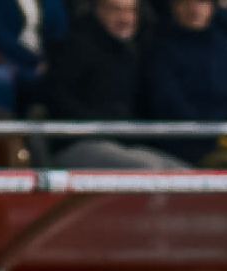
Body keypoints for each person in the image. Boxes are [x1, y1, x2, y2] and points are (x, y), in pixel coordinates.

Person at [44, 0, 186, 170]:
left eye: (131, 11)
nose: (125, 18)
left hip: (126, 144)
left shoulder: (137, 51)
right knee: (147, 169)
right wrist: (101, 125)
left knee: (186, 174)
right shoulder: (74, 47)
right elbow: (57, 98)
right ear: (98, 10)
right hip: (78, 143)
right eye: (116, 10)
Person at [141, 0, 227, 166]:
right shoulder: (159, 50)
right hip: (174, 147)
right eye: (186, 2)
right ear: (175, 7)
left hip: (222, 142)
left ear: (212, 8)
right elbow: (166, 101)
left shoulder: (223, 48)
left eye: (201, 2)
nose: (194, 9)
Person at [0, 0, 68, 92]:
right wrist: (34, 61)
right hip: (6, 61)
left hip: (48, 61)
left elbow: (59, 29)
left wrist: (48, 61)